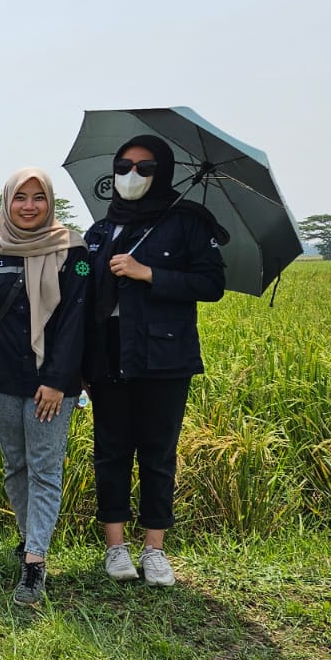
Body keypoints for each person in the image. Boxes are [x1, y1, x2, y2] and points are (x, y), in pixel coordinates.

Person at [84, 135, 227, 587]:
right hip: (109, 356)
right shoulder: (102, 230)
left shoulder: (187, 223)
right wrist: (80, 263)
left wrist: (149, 273)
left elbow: (211, 284)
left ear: (162, 172)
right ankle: (115, 547)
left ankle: (155, 550)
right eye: (124, 166)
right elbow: (82, 277)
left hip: (165, 357)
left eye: (144, 168)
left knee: (158, 453)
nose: (132, 176)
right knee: (110, 450)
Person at [0, 168, 89, 606]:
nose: (30, 205)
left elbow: (76, 321)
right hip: (0, 380)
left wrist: (56, 381)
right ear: (7, 202)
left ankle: (35, 561)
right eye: (21, 197)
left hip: (52, 385)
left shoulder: (73, 252)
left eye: (39, 197)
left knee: (44, 467)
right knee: (15, 466)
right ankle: (28, 537)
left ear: (50, 202)